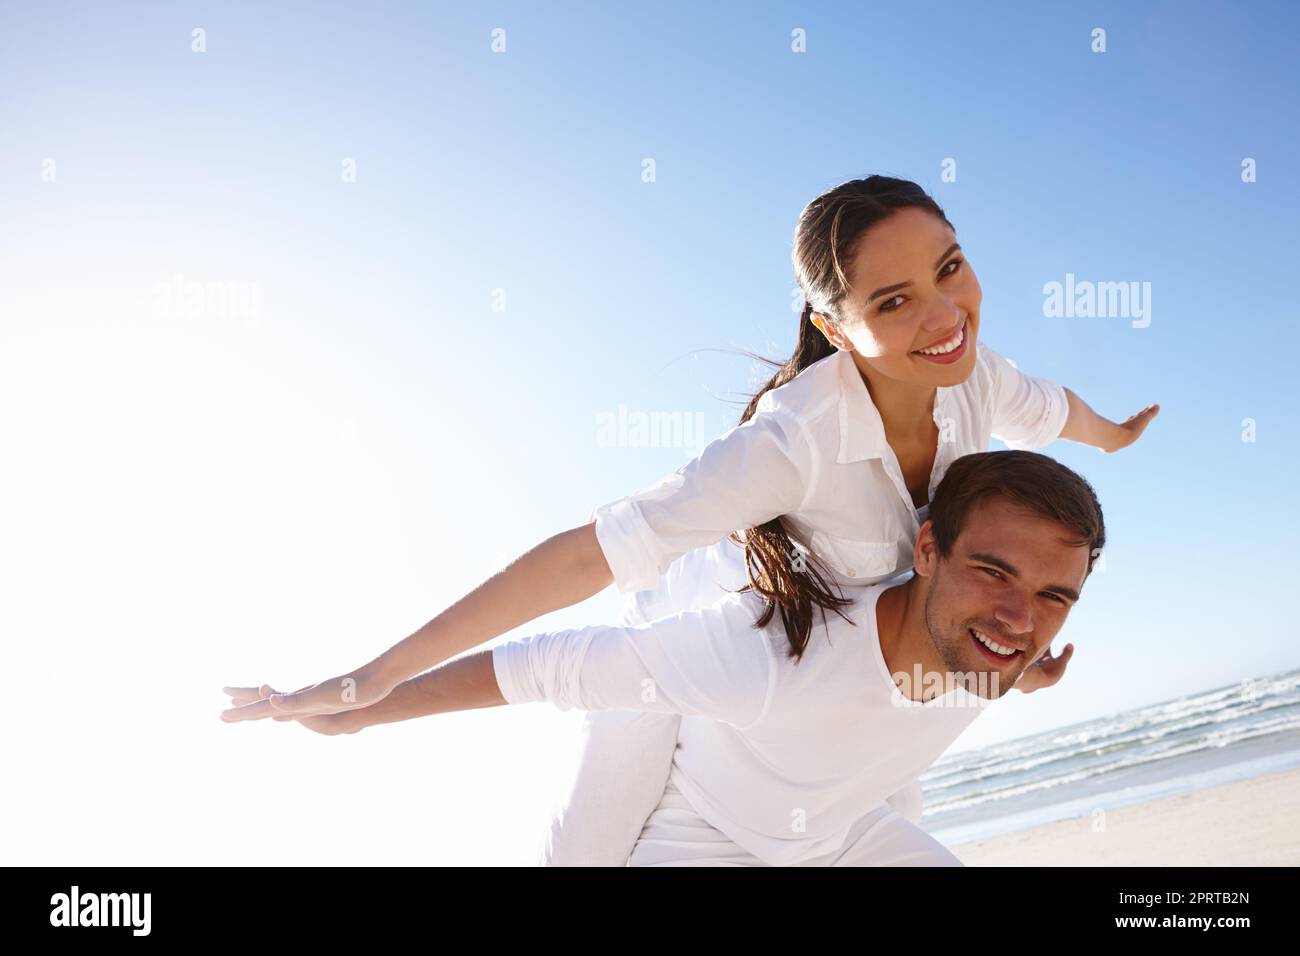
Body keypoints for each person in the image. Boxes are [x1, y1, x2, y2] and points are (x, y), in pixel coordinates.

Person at [220, 175, 1157, 862]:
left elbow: (1051, 409)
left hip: (853, 687)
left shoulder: (973, 373)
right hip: (695, 648)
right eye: (893, 301)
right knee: (589, 848)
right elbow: (587, 555)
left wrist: (1112, 437)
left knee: (873, 813)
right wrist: (371, 681)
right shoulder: (794, 443)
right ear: (835, 329)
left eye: (950, 268)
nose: (946, 313)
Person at [230, 450, 1105, 867]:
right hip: (701, 833)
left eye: (1053, 596)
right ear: (928, 550)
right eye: (993, 571)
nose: (1019, 614)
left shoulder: (996, 636)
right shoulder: (768, 654)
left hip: (833, 832)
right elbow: (548, 664)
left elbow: (994, 633)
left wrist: (1027, 668)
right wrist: (359, 706)